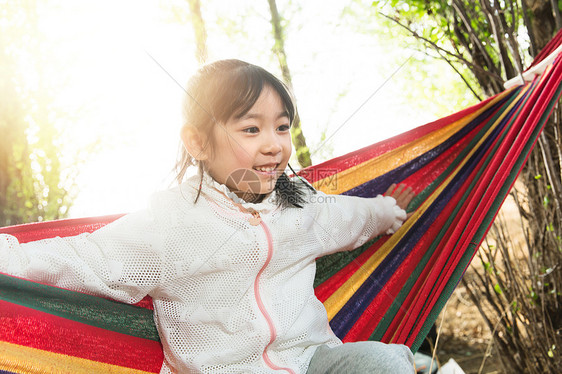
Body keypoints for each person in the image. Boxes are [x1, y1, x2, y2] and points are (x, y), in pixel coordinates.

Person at [0, 59, 416, 373]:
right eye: (251, 130)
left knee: (385, 365)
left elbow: (351, 217)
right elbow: (81, 259)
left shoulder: (301, 205)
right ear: (198, 142)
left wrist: (387, 209)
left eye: (282, 127)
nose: (274, 145)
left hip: (310, 361)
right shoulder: (169, 225)